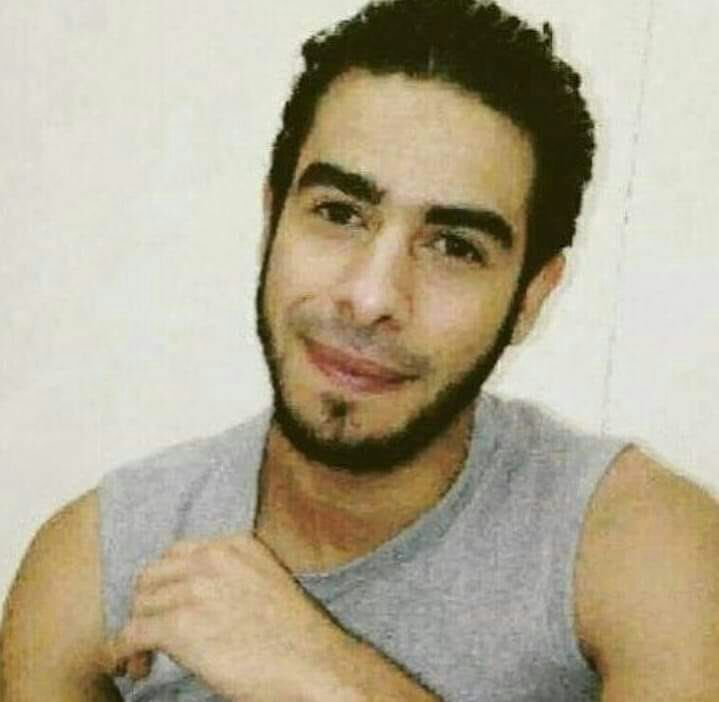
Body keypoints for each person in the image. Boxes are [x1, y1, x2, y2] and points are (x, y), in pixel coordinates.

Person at [2, 0, 718, 699]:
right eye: (339, 214)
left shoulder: (642, 548)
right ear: (272, 221)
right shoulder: (95, 563)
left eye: (454, 246)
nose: (372, 297)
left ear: (530, 295)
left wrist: (325, 676)